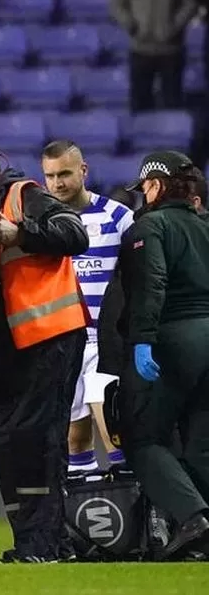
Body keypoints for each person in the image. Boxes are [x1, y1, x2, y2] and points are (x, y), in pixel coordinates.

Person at [0, 132, 90, 562]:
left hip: (52, 333)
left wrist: (18, 233)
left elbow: (74, 234)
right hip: (12, 341)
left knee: (38, 438)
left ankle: (42, 545)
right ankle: (38, 540)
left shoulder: (23, 195)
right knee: (9, 439)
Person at [117, 151, 209, 559]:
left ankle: (194, 518)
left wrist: (142, 339)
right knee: (200, 446)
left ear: (154, 186)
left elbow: (150, 287)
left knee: (143, 438)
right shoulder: (205, 225)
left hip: (174, 339)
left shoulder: (149, 226)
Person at [40, 140, 133, 474]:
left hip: (105, 343)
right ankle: (89, 522)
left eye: (64, 173)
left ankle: (140, 521)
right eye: (49, 176)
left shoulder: (119, 218)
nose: (57, 183)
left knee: (116, 435)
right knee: (75, 440)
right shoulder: (43, 223)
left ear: (83, 170)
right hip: (63, 342)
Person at [111, 0, 197, 112]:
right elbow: (116, 5)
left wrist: (172, 28)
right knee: (139, 106)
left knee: (172, 106)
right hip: (140, 49)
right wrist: (131, 25)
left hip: (171, 51)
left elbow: (190, 3)